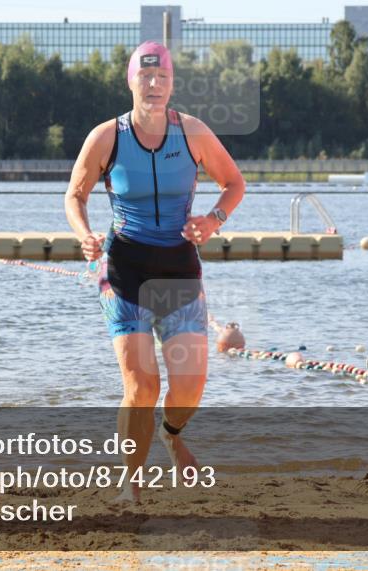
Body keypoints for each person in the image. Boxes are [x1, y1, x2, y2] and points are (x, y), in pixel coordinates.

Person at [65, 41, 245, 501]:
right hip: (124, 270)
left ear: (171, 84)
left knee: (190, 385)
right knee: (142, 385)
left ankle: (170, 434)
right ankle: (132, 481)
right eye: (145, 77)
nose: (153, 84)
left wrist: (213, 220)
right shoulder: (107, 137)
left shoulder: (193, 133)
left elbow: (234, 183)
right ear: (131, 82)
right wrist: (84, 233)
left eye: (162, 77)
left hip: (179, 269)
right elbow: (76, 195)